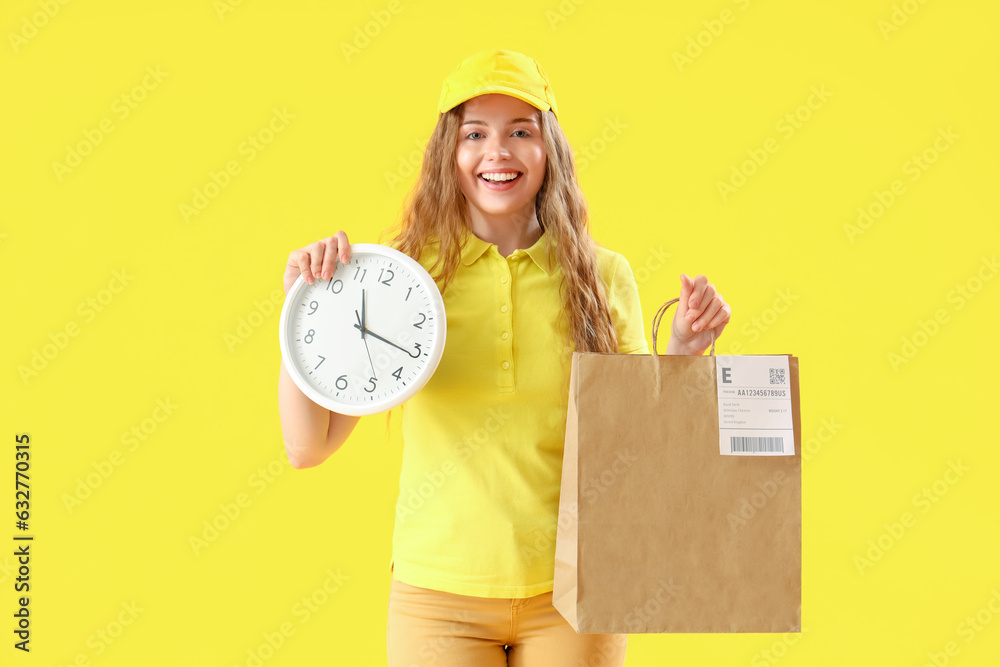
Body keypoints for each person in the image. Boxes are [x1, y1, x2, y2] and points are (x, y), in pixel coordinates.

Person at [278, 50, 731, 667]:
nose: (499, 152)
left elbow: (643, 451)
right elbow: (309, 446)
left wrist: (684, 352)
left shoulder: (603, 277)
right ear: (449, 156)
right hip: (436, 597)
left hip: (576, 591)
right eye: (475, 134)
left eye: (522, 131)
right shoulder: (401, 281)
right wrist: (307, 308)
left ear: (551, 154)